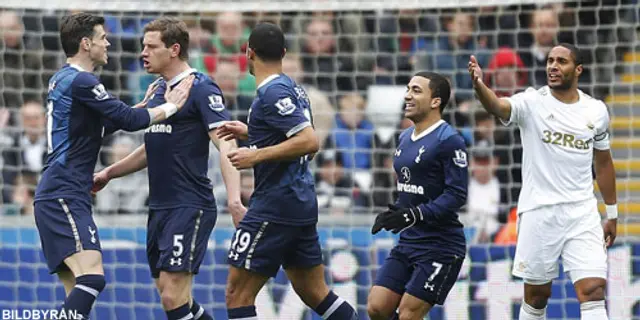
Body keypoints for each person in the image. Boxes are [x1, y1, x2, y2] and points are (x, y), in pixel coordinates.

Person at [34, 12, 192, 319]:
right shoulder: (82, 80)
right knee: (92, 278)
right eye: (102, 37)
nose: (108, 42)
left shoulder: (62, 78)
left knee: (78, 289)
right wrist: (172, 105)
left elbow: (94, 129)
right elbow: (130, 122)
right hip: (63, 192)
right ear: (85, 43)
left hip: (60, 192)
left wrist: (141, 107)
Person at [92, 17, 245, 320]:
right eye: (143, 46)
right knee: (172, 296)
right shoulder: (159, 90)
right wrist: (110, 172)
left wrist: (235, 199)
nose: (143, 53)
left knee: (173, 297)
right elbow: (153, 145)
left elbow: (227, 143)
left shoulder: (201, 88)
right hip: (160, 207)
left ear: (174, 49)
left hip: (189, 205)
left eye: (151, 46)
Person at [215, 22, 358, 320]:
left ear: (248, 52)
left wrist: (257, 154)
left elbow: (309, 141)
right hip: (299, 201)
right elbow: (292, 137)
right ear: (283, 53)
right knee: (313, 292)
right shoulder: (293, 88)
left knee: (236, 294)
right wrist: (252, 131)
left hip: (275, 204)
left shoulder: (271, 92)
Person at [468, 43, 617, 320]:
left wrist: (612, 212)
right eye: (550, 61)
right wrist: (480, 86)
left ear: (578, 70)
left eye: (561, 61)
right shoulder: (532, 102)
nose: (553, 66)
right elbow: (498, 106)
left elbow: (604, 162)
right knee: (537, 297)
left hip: (582, 213)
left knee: (594, 291)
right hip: (539, 212)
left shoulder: (595, 111)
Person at [366, 71, 468, 320]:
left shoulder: (449, 140)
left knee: (409, 313)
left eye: (416, 90)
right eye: (408, 89)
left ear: (436, 101)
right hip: (409, 241)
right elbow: (411, 188)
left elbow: (457, 194)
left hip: (441, 245)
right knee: (377, 307)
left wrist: (414, 214)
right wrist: (395, 213)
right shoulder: (404, 137)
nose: (408, 96)